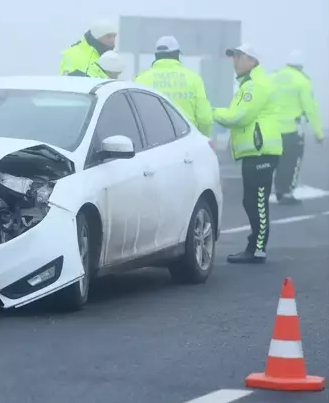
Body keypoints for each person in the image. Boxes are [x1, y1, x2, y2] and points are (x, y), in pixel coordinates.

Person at [213, 44, 283, 264]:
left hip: (261, 151)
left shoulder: (255, 85)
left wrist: (211, 112)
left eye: (239, 57)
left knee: (257, 201)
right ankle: (254, 247)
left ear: (252, 61)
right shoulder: (249, 84)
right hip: (254, 152)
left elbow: (239, 116)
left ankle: (257, 249)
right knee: (250, 200)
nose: (235, 61)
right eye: (234, 56)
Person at [270, 49, 324, 205]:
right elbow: (310, 108)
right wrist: (319, 133)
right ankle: (286, 193)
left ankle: (279, 189)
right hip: (292, 130)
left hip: (272, 129)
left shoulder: (273, 77)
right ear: (301, 66)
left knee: (278, 161)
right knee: (293, 162)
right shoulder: (302, 81)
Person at [134, 36, 214, 137]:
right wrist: (203, 138)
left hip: (152, 142)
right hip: (186, 140)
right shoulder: (193, 79)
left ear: (156, 55)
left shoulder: (140, 79)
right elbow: (205, 119)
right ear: (177, 54)